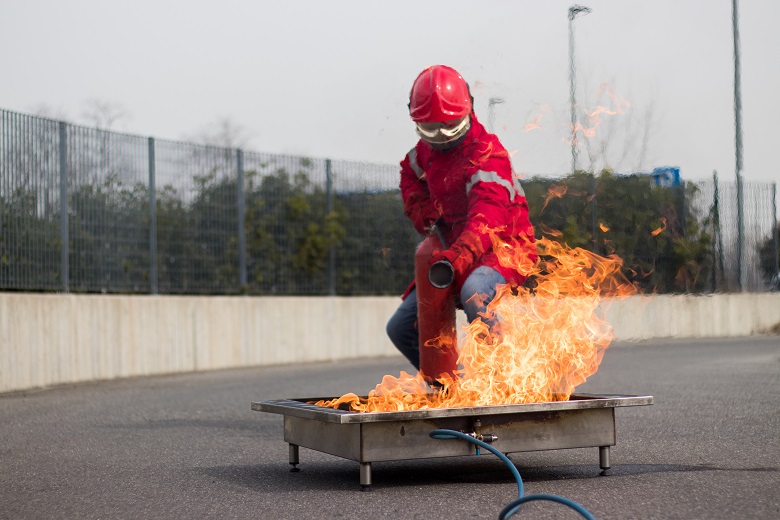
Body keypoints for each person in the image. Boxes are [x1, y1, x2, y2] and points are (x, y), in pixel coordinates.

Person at [386, 64, 537, 372]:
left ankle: (505, 377)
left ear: (468, 112)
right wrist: (419, 207)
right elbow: (409, 174)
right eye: (431, 129)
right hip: (453, 254)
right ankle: (448, 390)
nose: (440, 137)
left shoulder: (487, 153)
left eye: (449, 128)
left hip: (501, 248)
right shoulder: (423, 155)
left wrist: (462, 255)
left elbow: (489, 216)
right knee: (401, 327)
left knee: (475, 292)